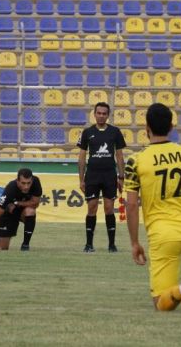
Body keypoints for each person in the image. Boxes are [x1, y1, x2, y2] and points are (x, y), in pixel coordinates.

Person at [124, 103, 181, 313]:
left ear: (146, 127)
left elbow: (130, 205)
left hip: (164, 236)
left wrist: (135, 242)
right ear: (172, 127)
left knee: (161, 304)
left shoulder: (136, 160)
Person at [77, 102, 126, 253]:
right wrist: (81, 179)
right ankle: (89, 244)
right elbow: (82, 156)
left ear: (108, 115)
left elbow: (119, 155)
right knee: (91, 208)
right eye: (99, 113)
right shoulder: (87, 132)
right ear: (94, 114)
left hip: (109, 175)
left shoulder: (115, 132)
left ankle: (112, 245)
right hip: (92, 175)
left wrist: (121, 176)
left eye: (104, 113)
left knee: (109, 208)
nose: (101, 116)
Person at [0, 168, 42, 251]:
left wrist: (17, 203)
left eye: (29, 183)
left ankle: (25, 246)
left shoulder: (36, 182)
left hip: (22, 212)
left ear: (32, 180)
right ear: (17, 181)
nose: (26, 186)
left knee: (30, 211)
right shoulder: (11, 188)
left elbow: (36, 203)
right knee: (0, 248)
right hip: (8, 214)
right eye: (23, 183)